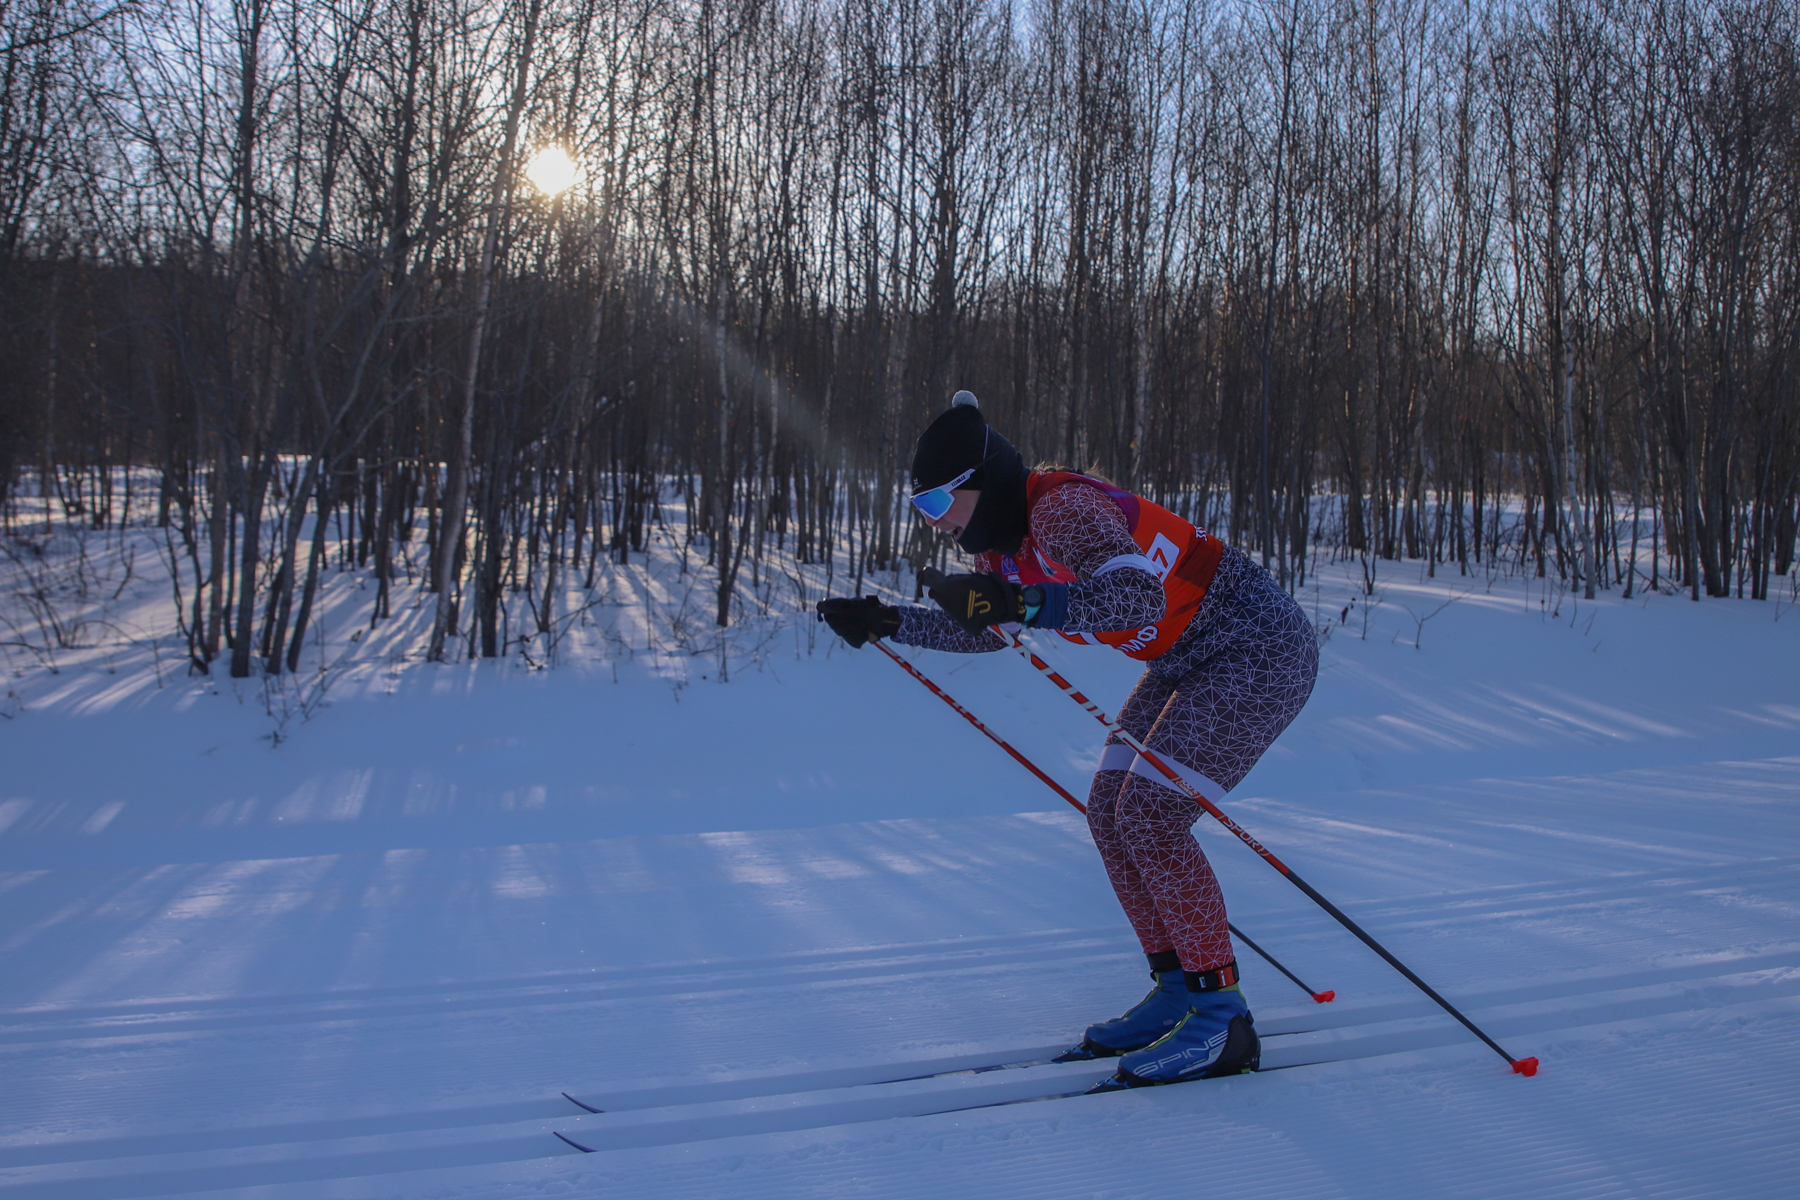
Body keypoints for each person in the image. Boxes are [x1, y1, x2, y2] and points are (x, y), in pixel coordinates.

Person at [817, 391, 1318, 1089]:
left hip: (1255, 648)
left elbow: (1137, 598)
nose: (933, 523)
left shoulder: (1061, 509)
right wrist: (888, 621)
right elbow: (993, 630)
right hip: (1185, 659)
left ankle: (1222, 1019)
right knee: (1110, 809)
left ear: (980, 482)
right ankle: (1178, 990)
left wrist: (1026, 603)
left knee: (1152, 814)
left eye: (935, 503)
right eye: (920, 508)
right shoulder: (1004, 546)